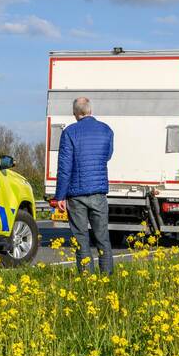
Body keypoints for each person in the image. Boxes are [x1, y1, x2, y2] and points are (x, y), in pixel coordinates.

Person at [54, 97, 114, 274]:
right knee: (103, 239)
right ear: (90, 111)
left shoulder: (70, 132)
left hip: (76, 194)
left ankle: (87, 278)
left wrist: (60, 196)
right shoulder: (106, 130)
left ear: (75, 113)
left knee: (81, 239)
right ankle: (107, 277)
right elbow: (107, 155)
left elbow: (65, 168)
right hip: (99, 192)